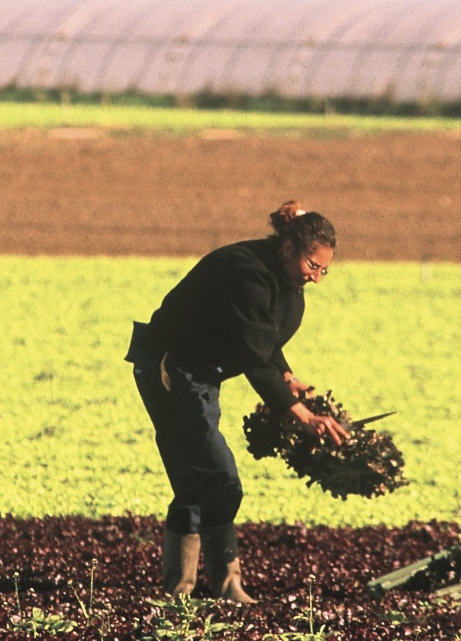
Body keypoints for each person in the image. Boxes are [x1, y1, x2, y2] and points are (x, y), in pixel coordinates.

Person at [125, 200, 349, 604]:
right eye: (313, 266)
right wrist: (299, 414)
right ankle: (225, 585)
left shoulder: (282, 280)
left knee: (195, 480)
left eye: (324, 271)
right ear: (288, 249)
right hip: (168, 370)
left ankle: (183, 589)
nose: (316, 278)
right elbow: (251, 352)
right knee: (220, 477)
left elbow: (264, 341)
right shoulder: (246, 272)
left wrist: (288, 377)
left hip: (200, 377)